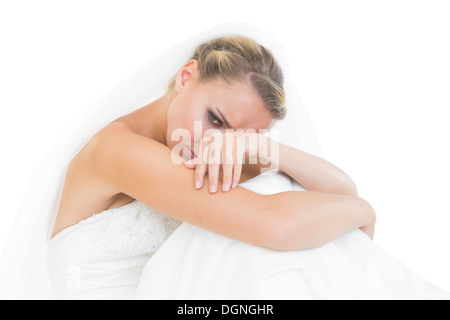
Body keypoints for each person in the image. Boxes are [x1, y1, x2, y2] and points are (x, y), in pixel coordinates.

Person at [1, 24, 448, 300]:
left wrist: (267, 152)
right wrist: (364, 211)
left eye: (239, 137)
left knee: (276, 190)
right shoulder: (118, 151)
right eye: (215, 119)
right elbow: (282, 227)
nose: (216, 144)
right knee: (272, 207)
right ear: (187, 75)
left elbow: (336, 188)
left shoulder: (204, 153)